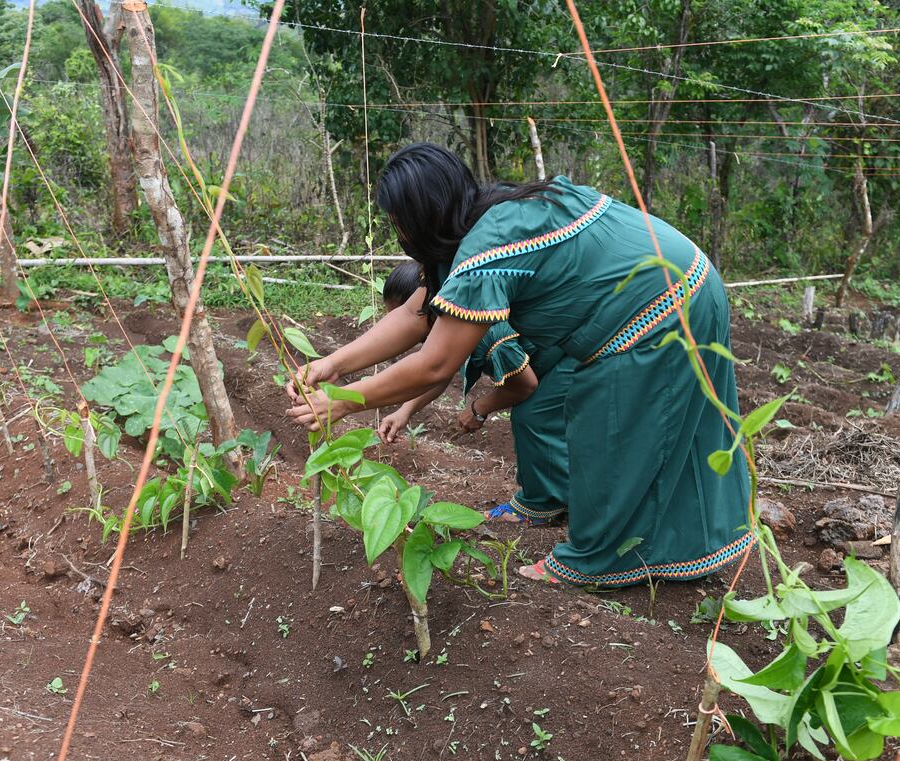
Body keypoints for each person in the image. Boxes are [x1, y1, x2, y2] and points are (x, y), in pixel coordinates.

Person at [287, 143, 752, 587]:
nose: (399, 234)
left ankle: (597, 562)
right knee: (579, 413)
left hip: (658, 305)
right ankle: (588, 518)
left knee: (613, 432)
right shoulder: (494, 216)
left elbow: (435, 365)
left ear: (421, 216)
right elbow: (413, 315)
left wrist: (345, 402)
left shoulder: (485, 249)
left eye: (398, 221)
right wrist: (332, 363)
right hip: (684, 279)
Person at [375, 261, 571, 524]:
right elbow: (440, 372)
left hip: (573, 355)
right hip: (554, 356)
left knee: (532, 415)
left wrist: (479, 409)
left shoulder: (488, 331)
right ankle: (566, 496)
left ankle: (542, 506)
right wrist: (404, 411)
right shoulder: (458, 319)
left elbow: (524, 386)